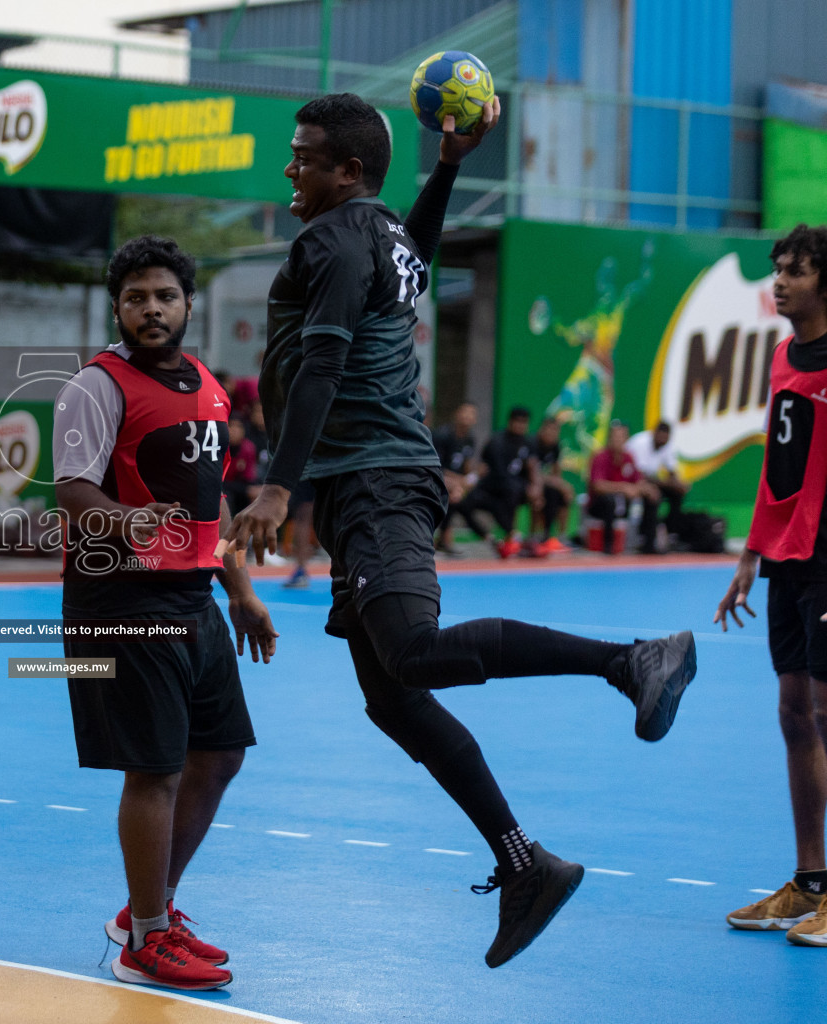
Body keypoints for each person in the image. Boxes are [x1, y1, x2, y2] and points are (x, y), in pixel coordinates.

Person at [225, 93, 697, 968]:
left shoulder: (328, 240)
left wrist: (275, 487)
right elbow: (415, 254)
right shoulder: (386, 238)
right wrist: (447, 168)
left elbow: (324, 361)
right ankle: (526, 867)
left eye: (304, 157)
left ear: (349, 172)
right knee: (392, 697)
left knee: (411, 651)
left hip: (375, 479)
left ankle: (631, 660)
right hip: (371, 478)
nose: (290, 169)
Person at [54, 235, 277, 991]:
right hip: (121, 598)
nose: (152, 308)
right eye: (136, 297)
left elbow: (209, 506)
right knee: (154, 770)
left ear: (188, 303)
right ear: (116, 307)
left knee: (219, 756)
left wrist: (241, 590)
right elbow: (74, 494)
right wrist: (129, 524)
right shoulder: (96, 386)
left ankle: (149, 908)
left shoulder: (208, 387)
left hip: (195, 597)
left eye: (165, 295)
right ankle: (144, 939)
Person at [715, 224, 827, 948]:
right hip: (786, 558)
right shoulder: (785, 354)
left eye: (796, 271)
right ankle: (810, 882)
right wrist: (750, 554)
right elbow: (777, 462)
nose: (780, 281)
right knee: (793, 711)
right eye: (778, 270)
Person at [456, 405, 537, 558]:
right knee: (463, 504)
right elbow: (496, 473)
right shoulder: (497, 442)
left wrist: (534, 486)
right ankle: (494, 538)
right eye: (517, 421)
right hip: (490, 488)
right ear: (510, 422)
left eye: (524, 422)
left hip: (512, 491)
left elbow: (532, 466)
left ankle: (521, 539)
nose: (520, 425)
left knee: (529, 493)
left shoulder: (528, 442)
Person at [586, 422, 660, 555]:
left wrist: (646, 489)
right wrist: (623, 488)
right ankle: (609, 546)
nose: (618, 440)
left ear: (626, 439)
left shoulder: (628, 458)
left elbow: (638, 481)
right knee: (610, 500)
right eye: (615, 437)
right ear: (609, 438)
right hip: (600, 506)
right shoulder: (600, 457)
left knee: (652, 496)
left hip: (623, 504)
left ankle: (648, 546)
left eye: (621, 437)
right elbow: (597, 486)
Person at [627, 421, 688, 551]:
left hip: (651, 481)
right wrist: (668, 484)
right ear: (654, 433)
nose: (662, 442)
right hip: (631, 480)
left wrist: (679, 484)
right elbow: (640, 475)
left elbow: (672, 472)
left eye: (665, 439)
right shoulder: (640, 443)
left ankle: (671, 535)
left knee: (677, 493)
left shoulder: (666, 445)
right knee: (653, 495)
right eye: (660, 438)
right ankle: (647, 541)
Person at [431, 402, 479, 555]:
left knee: (461, 496)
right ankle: (487, 536)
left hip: (455, 483)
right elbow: (436, 466)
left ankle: (442, 540)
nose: (467, 417)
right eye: (464, 412)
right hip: (435, 477)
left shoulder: (470, 439)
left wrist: (470, 479)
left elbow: (467, 467)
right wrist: (458, 482)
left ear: (475, 420)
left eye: (471, 414)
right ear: (456, 414)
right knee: (454, 495)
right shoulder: (442, 435)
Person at [529, 417, 574, 553]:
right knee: (540, 494)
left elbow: (556, 472)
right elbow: (533, 474)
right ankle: (534, 537)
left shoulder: (555, 447)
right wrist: (558, 484)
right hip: (528, 482)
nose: (553, 434)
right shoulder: (533, 444)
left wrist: (561, 486)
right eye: (550, 430)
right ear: (542, 430)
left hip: (546, 483)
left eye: (556, 431)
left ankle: (560, 537)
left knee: (561, 495)